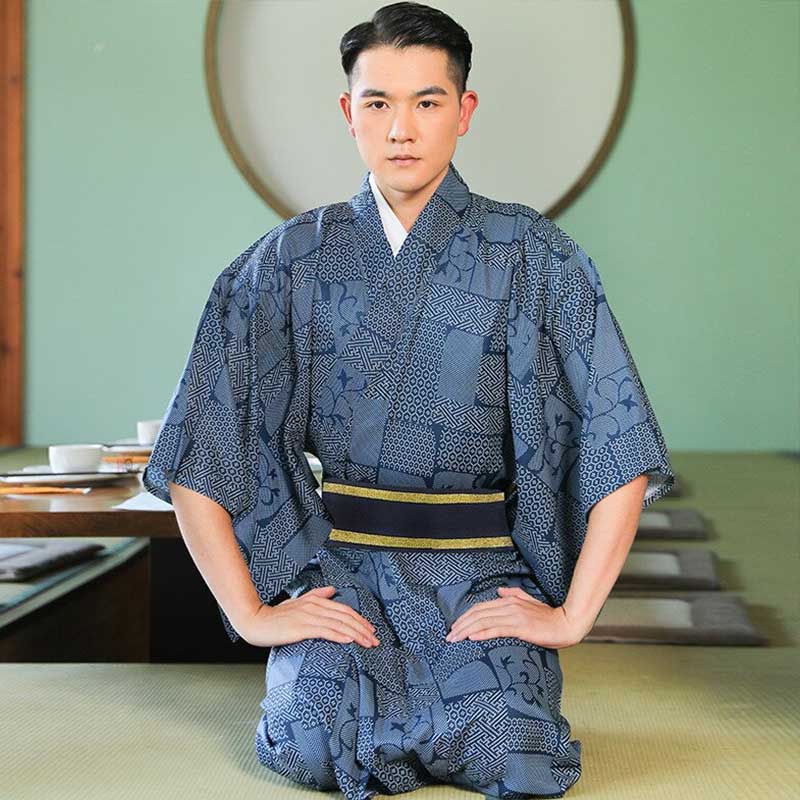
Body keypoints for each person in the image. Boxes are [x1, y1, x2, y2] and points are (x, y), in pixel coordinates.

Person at [142, 2, 675, 798]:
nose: (401, 127)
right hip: (343, 575)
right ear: (347, 113)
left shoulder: (537, 257)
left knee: (517, 749)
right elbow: (199, 447)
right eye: (377, 103)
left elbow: (618, 447)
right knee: (308, 735)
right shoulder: (289, 260)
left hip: (482, 580)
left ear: (463, 112)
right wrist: (255, 612)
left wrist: (570, 618)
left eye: (427, 102)